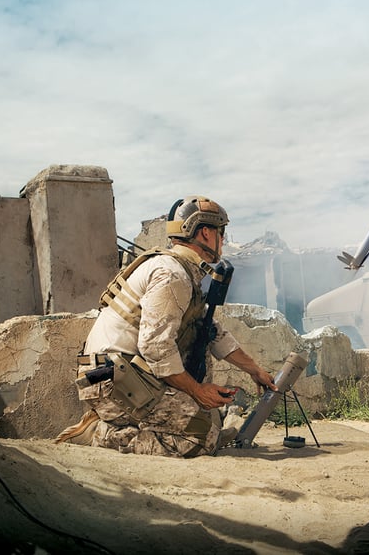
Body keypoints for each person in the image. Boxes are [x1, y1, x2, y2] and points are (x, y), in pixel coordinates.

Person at [56, 195, 277, 457]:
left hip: (127, 376)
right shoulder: (172, 275)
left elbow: (212, 332)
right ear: (205, 233)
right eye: (221, 232)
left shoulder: (182, 272)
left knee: (208, 421)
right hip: (110, 381)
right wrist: (198, 391)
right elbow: (155, 347)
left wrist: (256, 371)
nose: (224, 240)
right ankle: (103, 435)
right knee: (200, 439)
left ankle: (138, 426)